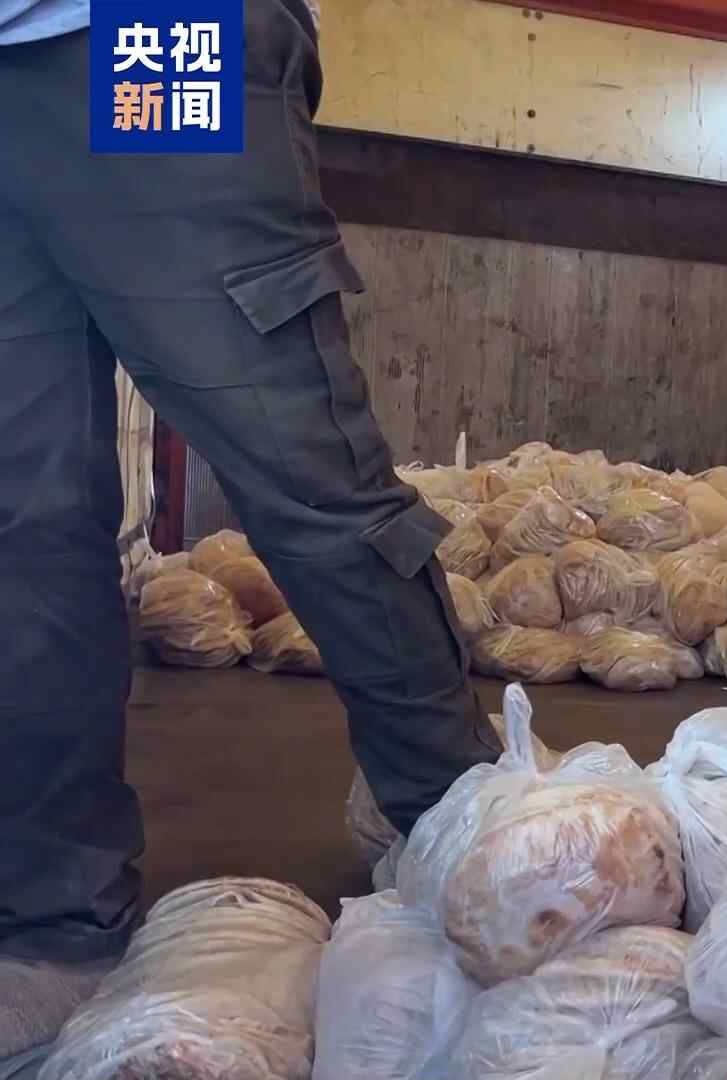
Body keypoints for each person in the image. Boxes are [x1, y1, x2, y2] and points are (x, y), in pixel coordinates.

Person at [0, 0, 497, 1066]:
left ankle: (460, 821)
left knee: (298, 466)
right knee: (20, 529)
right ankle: (51, 920)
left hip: (144, 32)